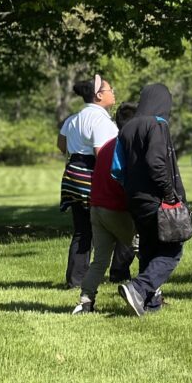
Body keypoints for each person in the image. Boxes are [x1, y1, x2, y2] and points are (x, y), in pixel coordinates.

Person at [116, 84, 187, 317]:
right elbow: (156, 162)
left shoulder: (126, 128)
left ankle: (150, 302)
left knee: (148, 248)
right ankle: (138, 287)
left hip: (134, 198)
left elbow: (116, 169)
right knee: (172, 249)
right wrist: (169, 193)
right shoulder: (157, 124)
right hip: (157, 197)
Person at [72, 102, 138, 314]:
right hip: (115, 208)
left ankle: (86, 299)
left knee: (100, 259)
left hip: (96, 207)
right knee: (145, 250)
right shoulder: (128, 146)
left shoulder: (108, 144)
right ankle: (150, 293)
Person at [57, 74, 118, 289]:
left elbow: (61, 145)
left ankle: (75, 278)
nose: (113, 93)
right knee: (116, 226)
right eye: (111, 90)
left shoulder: (72, 119)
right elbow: (102, 152)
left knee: (82, 229)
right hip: (91, 176)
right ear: (99, 95)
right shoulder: (101, 121)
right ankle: (118, 273)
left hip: (72, 175)